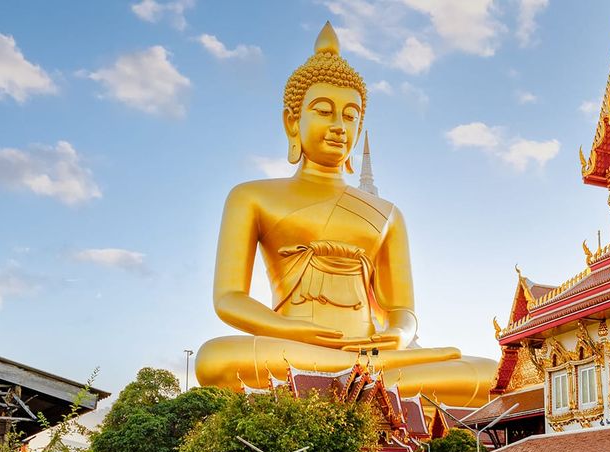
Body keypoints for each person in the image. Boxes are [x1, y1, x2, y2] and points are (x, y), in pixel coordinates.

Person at [195, 23, 495, 408]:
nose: (339, 126)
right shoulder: (251, 197)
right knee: (214, 359)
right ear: (292, 121)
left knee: (484, 371)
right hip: (294, 349)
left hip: (375, 356)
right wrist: (288, 328)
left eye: (351, 116)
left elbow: (402, 310)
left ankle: (355, 375)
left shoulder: (387, 214)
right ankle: (354, 377)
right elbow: (229, 298)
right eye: (324, 111)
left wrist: (399, 335)